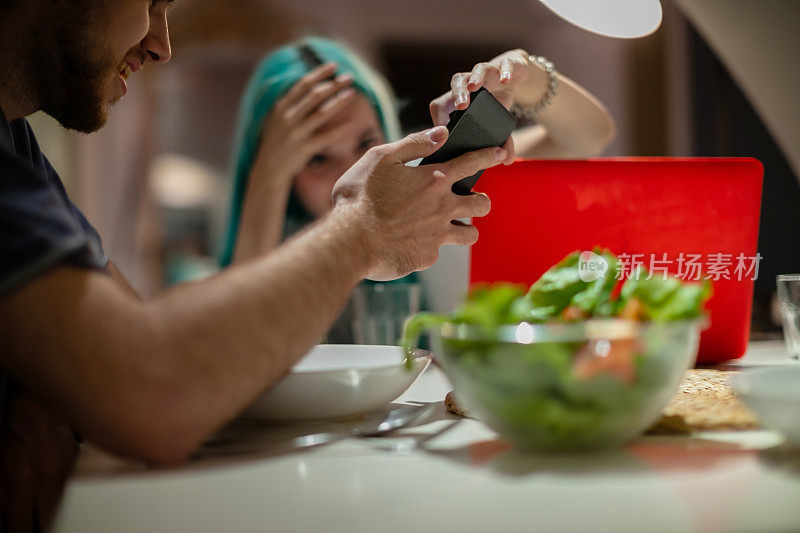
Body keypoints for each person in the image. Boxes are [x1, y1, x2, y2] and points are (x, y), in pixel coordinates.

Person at [0, 1, 498, 528]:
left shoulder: (17, 146)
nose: (162, 45)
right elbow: (154, 385)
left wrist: (48, 397)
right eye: (150, 2)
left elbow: (128, 341)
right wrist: (362, 230)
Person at [224, 40, 615, 267]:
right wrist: (266, 177)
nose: (352, 170)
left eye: (365, 142)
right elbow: (237, 348)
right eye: (316, 158)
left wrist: (526, 76)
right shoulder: (257, 257)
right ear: (278, 174)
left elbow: (588, 135)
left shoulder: (430, 187)